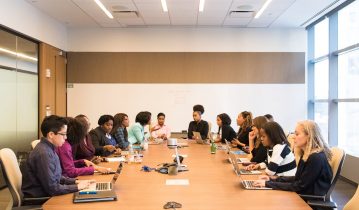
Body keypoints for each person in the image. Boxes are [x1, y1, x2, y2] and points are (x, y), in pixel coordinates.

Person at [253, 120, 333, 196]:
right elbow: (298, 179)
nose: (294, 137)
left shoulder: (316, 158)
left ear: (309, 136)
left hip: (308, 201)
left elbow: (299, 186)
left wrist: (268, 184)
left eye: (297, 134)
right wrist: (271, 179)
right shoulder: (307, 154)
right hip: (302, 195)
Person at [22, 115, 91, 198]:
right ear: (51, 134)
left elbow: (56, 177)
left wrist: (76, 182)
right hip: (41, 199)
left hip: (48, 194)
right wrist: (77, 187)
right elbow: (53, 188)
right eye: (63, 134)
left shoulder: (50, 149)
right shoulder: (44, 154)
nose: (65, 138)